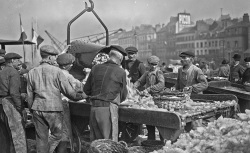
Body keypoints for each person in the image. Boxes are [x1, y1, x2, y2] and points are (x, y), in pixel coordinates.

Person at [27, 45, 88, 153]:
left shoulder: (32, 72)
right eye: (54, 57)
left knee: (41, 138)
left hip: (37, 108)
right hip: (53, 108)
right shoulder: (57, 72)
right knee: (57, 135)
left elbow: (29, 94)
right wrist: (84, 95)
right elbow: (70, 93)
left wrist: (31, 108)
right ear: (50, 57)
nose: (56, 59)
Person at [84, 45, 128, 142]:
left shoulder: (95, 68)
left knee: (96, 142)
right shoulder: (121, 72)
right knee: (108, 142)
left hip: (94, 109)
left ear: (109, 56)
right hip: (108, 110)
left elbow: (86, 90)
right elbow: (124, 94)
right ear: (120, 59)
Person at [56, 53, 85, 152]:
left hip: (51, 104)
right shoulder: (66, 75)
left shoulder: (54, 71)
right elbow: (79, 86)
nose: (72, 65)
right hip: (62, 104)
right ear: (64, 65)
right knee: (64, 132)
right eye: (70, 64)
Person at [0, 53, 27, 153]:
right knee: (18, 135)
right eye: (17, 60)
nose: (20, 62)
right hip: (9, 103)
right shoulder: (13, 72)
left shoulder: (2, 72)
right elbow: (14, 93)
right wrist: (21, 108)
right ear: (11, 61)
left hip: (1, 104)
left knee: (5, 136)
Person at [134, 55, 165, 141]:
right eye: (152, 64)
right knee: (149, 119)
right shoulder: (147, 73)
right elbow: (140, 81)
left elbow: (161, 84)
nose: (153, 66)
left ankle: (162, 140)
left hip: (157, 99)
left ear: (158, 64)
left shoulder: (159, 72)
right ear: (148, 64)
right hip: (149, 100)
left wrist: (149, 89)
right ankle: (151, 139)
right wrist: (134, 86)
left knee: (159, 120)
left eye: (155, 64)